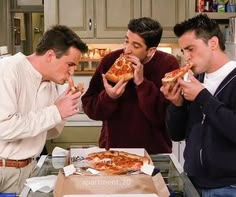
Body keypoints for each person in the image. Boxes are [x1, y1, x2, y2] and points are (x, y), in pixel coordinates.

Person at [0, 25, 88, 193]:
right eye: (70, 64)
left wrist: (65, 107)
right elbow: (3, 127)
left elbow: (50, 133)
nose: (72, 72)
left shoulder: (51, 82)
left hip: (30, 169)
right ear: (50, 55)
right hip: (3, 171)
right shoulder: (8, 70)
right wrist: (56, 111)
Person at [160, 14, 236, 197]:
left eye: (190, 49)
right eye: (183, 51)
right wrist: (176, 104)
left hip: (228, 187)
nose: (186, 57)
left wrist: (202, 97)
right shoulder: (196, 79)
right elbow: (177, 134)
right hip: (192, 183)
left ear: (213, 43)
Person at [81, 17, 179, 154]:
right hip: (113, 152)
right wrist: (109, 97)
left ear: (151, 51)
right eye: (126, 41)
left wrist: (142, 83)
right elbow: (89, 108)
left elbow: (163, 117)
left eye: (136, 46)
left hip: (155, 153)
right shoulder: (110, 61)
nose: (127, 50)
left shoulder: (168, 64)